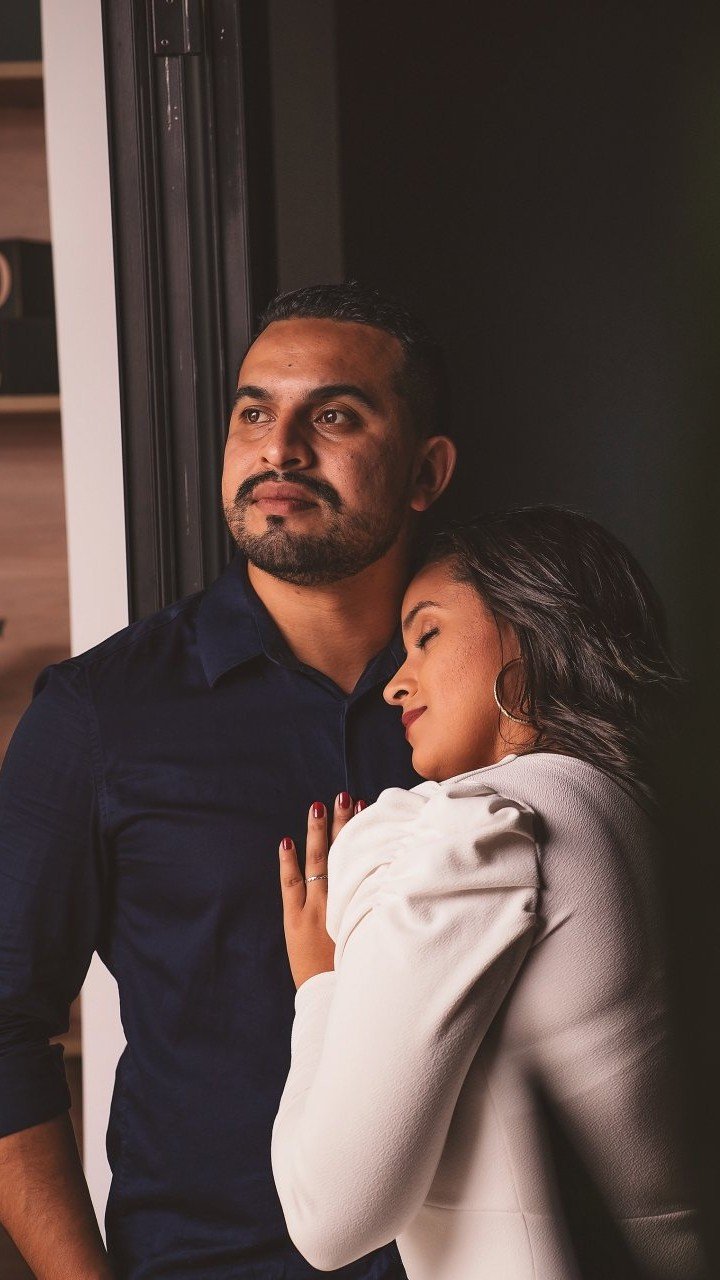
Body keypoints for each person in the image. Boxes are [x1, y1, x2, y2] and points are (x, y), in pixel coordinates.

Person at [0, 283, 456, 1279]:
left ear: (426, 471)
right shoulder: (96, 714)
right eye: (254, 413)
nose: (277, 449)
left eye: (333, 417)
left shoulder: (508, 693)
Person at [272, 506, 707, 1280]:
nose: (395, 685)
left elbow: (328, 1220)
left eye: (428, 635)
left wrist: (320, 984)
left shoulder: (466, 835)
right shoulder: (636, 816)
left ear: (528, 631)